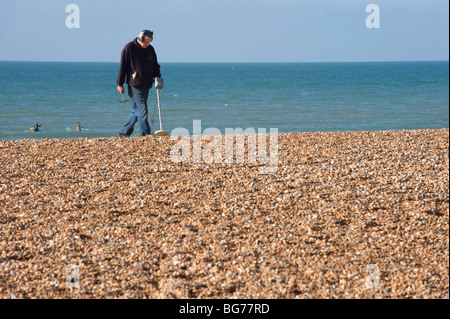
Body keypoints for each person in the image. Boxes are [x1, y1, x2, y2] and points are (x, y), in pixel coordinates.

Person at [117, 29, 161, 137]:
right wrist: (120, 83)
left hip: (146, 84)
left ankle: (124, 132)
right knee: (142, 110)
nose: (147, 44)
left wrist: (158, 77)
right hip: (134, 84)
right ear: (140, 38)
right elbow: (123, 67)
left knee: (138, 111)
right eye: (146, 42)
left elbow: (155, 65)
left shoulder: (150, 49)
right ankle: (145, 134)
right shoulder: (129, 48)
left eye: (149, 42)